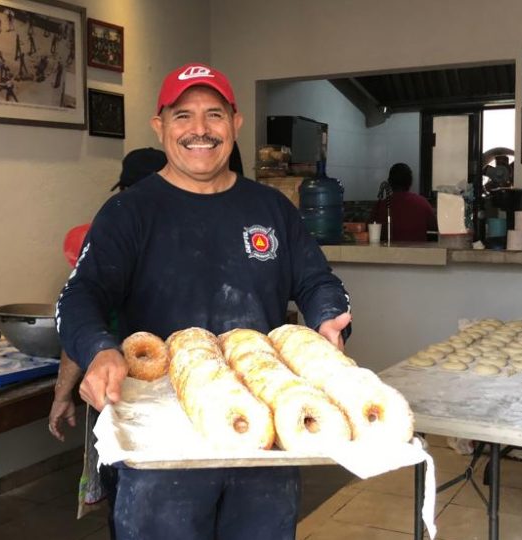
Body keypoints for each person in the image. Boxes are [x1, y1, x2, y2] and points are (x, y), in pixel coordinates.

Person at [56, 62, 352, 540]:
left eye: (213, 115)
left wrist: (327, 320)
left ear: (234, 123)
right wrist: (98, 348)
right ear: (160, 127)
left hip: (261, 428)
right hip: (161, 435)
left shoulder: (271, 207)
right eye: (182, 116)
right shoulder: (129, 211)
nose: (200, 130)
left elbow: (318, 280)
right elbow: (79, 296)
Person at [48, 147, 168, 538]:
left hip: (124, 396)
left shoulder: (113, 229)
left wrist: (62, 394)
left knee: (129, 501)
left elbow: (81, 324)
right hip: (176, 399)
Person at [371, 162, 438, 242]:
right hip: (418, 253)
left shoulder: (380, 206)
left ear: (390, 182)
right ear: (410, 182)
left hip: (387, 253)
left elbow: (370, 230)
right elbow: (435, 227)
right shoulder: (422, 203)